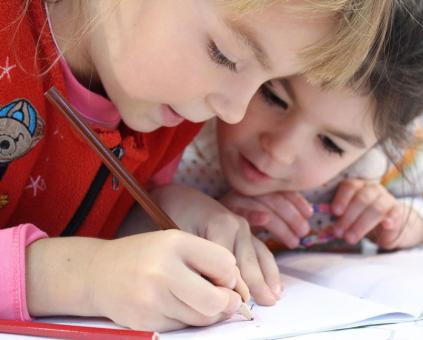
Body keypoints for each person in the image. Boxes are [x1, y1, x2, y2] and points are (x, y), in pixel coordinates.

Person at [0, 0, 393, 332]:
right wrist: (84, 278)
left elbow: (81, 220)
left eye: (266, 83)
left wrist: (157, 211)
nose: (235, 112)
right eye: (225, 55)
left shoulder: (168, 114)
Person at [173, 0, 423, 253]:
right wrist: (197, 215)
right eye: (273, 98)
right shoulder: (181, 121)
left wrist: (406, 221)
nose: (280, 151)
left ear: (381, 143)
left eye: (331, 144)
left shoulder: (381, 162)